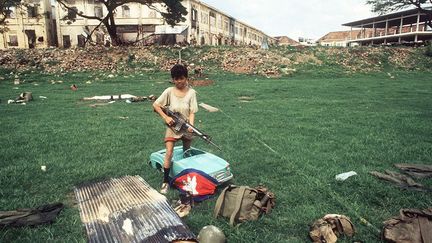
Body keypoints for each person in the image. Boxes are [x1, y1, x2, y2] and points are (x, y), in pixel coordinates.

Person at [153, 64, 199, 194]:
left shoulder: (191, 93)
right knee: (169, 153)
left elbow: (192, 112)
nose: (179, 81)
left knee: (187, 152)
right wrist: (165, 118)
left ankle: (187, 179)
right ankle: (165, 181)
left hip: (185, 127)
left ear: (186, 78)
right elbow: (156, 105)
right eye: (176, 79)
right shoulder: (168, 91)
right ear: (173, 79)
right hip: (173, 127)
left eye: (182, 78)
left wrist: (191, 125)